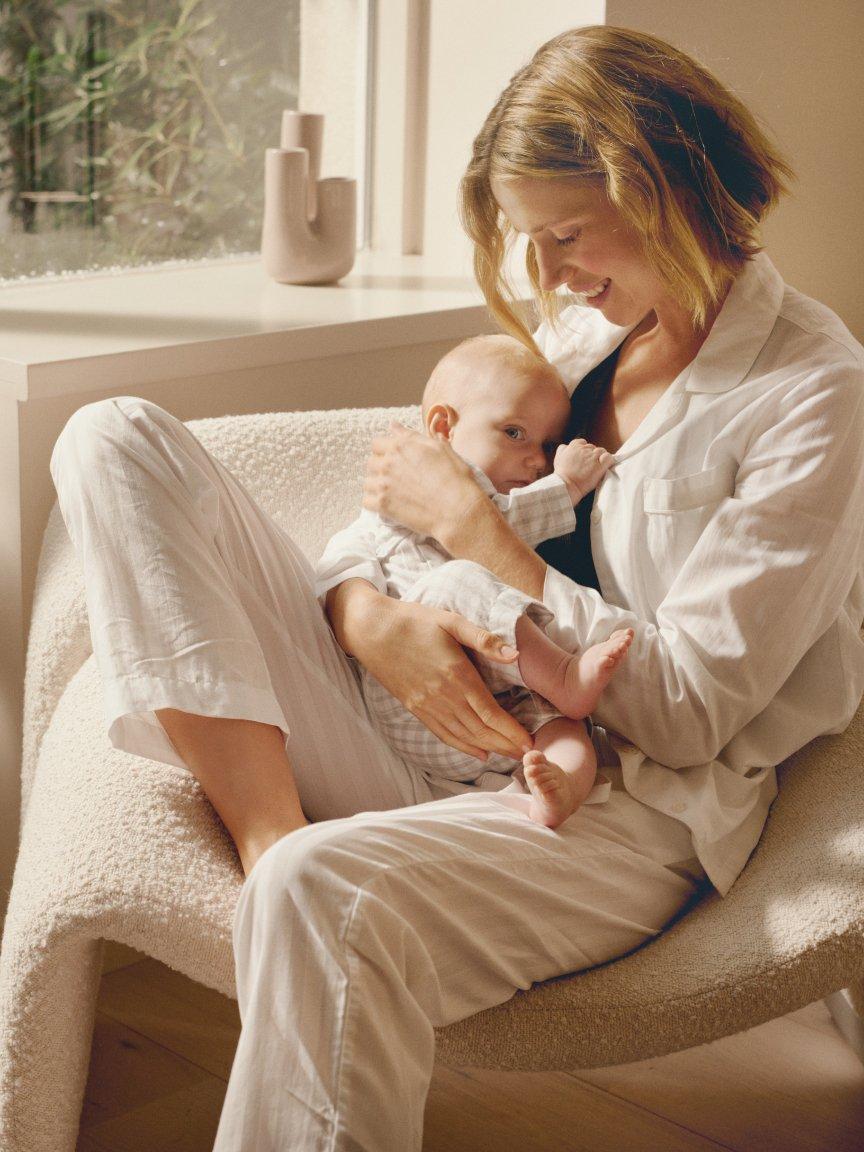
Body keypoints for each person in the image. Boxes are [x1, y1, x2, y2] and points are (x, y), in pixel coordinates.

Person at [47, 24, 863, 1152]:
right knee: (113, 438)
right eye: (535, 242)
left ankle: (296, 875)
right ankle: (270, 833)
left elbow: (690, 709)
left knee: (322, 897)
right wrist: (363, 614)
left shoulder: (812, 391)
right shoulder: (580, 339)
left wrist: (489, 541)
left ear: (659, 183)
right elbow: (393, 526)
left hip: (608, 803)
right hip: (420, 723)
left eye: (565, 232)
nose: (552, 274)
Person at [316, 332, 633, 829]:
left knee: (566, 730)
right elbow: (500, 522)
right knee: (457, 579)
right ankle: (566, 677)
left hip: (500, 712)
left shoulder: (491, 488)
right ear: (443, 427)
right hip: (419, 702)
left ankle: (563, 787)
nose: (537, 460)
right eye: (514, 433)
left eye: (548, 446)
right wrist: (567, 484)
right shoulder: (403, 497)